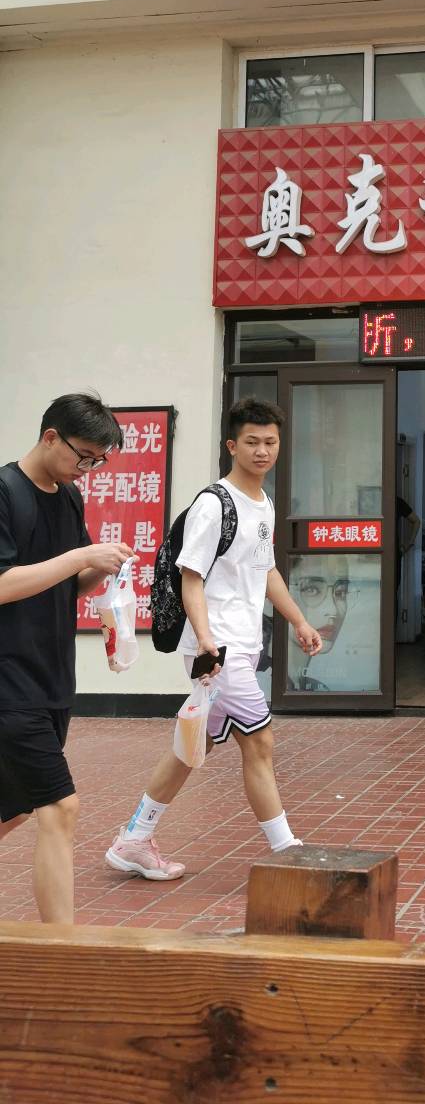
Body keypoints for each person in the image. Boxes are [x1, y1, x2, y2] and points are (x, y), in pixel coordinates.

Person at [105, 397, 322, 880]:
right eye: (252, 442)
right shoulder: (213, 504)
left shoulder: (263, 503)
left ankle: (134, 838)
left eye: (270, 442)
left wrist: (299, 621)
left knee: (191, 744)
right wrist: (205, 639)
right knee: (259, 741)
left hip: (239, 644)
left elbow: (266, 572)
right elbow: (192, 577)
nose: (262, 451)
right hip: (217, 648)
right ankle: (286, 851)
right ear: (232, 445)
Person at [0, 393, 132, 922]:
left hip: (53, 676)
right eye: (84, 456)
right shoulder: (5, 491)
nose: (88, 469)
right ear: (50, 436)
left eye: (99, 461)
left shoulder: (69, 497)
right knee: (60, 805)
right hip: (9, 680)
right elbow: (4, 584)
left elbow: (68, 583)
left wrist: (101, 567)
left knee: (16, 806)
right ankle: (61, 947)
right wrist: (81, 554)